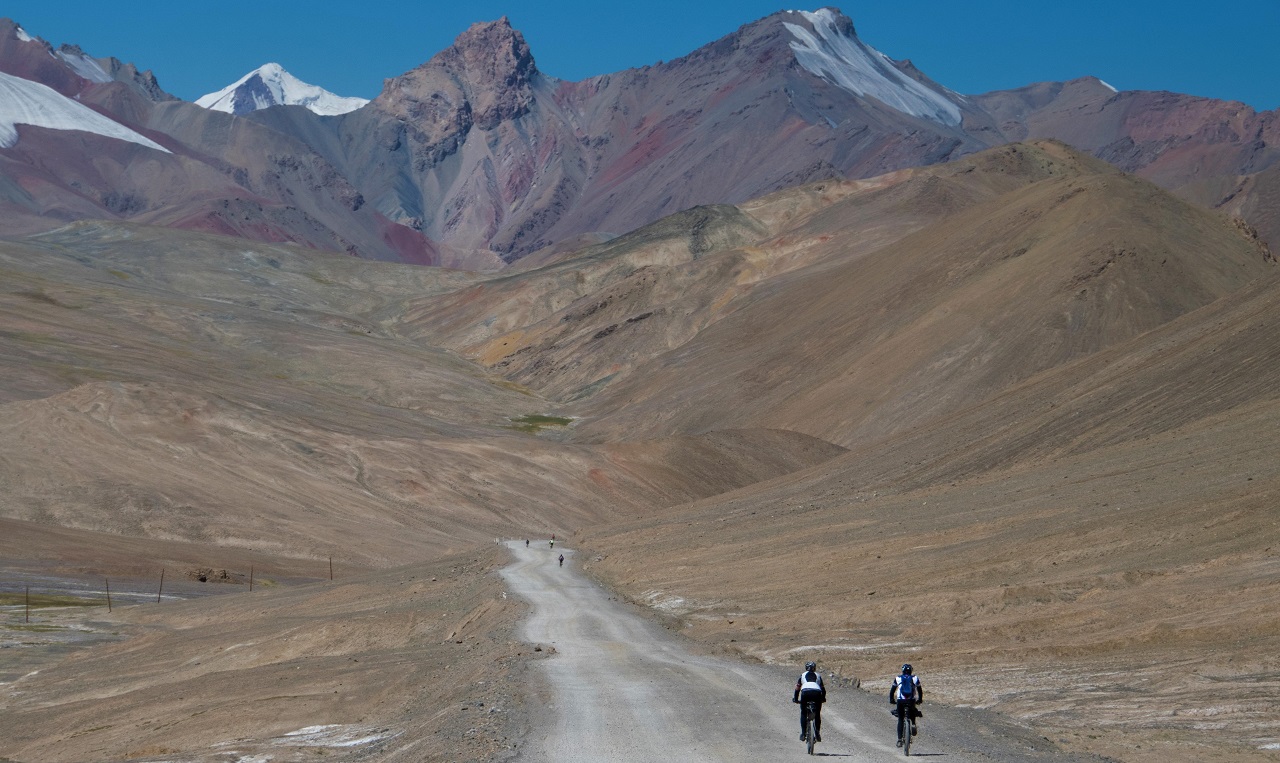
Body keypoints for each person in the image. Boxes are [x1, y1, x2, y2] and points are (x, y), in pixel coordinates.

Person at [889, 663, 923, 747]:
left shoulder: (898, 678)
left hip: (900, 701)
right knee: (912, 711)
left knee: (900, 719)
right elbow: (920, 690)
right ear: (911, 671)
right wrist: (920, 700)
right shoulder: (915, 678)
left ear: (903, 670)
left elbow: (892, 691)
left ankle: (900, 740)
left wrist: (892, 700)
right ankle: (913, 723)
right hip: (911, 700)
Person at [793, 660, 826, 742]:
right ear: (814, 668)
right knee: (817, 713)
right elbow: (823, 689)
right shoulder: (818, 675)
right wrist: (823, 698)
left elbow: (797, 689)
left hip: (805, 692)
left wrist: (796, 699)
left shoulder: (802, 675)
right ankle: (817, 733)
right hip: (817, 693)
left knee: (804, 712)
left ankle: (803, 733)